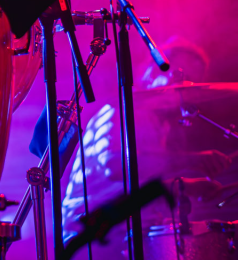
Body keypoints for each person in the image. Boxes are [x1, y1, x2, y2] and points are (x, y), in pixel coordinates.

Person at [60, 38, 230, 251]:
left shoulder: (159, 126)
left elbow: (137, 183)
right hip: (91, 238)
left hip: (123, 233)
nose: (185, 89)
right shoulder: (122, 110)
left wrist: (185, 186)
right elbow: (115, 165)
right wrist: (192, 160)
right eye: (179, 76)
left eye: (193, 82)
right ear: (151, 73)